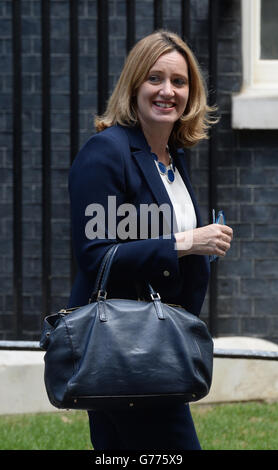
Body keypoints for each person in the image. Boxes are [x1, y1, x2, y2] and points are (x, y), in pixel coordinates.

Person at [68, 30, 233, 450]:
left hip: (160, 348)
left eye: (179, 82)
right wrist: (184, 241)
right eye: (155, 79)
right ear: (134, 85)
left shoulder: (172, 160)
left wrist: (196, 249)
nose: (167, 91)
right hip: (124, 349)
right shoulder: (107, 152)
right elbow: (96, 254)